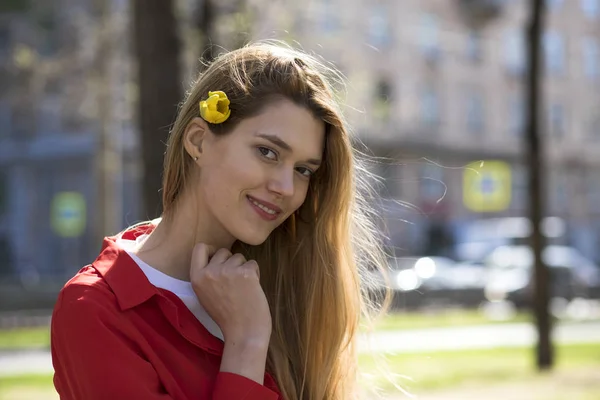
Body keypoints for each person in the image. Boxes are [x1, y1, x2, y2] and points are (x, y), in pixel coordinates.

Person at [51, 42, 388, 400]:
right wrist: (247, 343)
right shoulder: (96, 310)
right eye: (267, 152)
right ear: (198, 141)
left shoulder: (287, 284)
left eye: (303, 170)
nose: (286, 188)